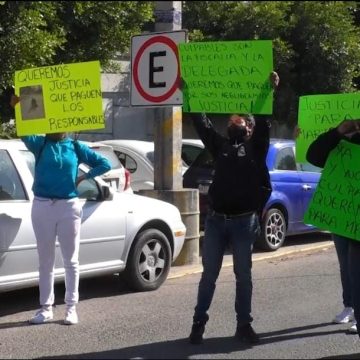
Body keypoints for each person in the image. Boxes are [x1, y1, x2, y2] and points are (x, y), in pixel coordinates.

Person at [184, 71, 279, 345]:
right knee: (209, 276)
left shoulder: (257, 149)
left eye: (242, 119)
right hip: (216, 221)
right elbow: (201, 123)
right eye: (231, 119)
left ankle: (244, 324)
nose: (234, 120)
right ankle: (198, 323)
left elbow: (263, 120)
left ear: (249, 129)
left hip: (243, 223)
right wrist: (189, 92)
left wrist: (268, 90)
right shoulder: (220, 146)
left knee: (243, 277)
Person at [10, 94, 111, 325]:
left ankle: (71, 308)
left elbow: (103, 164)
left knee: (70, 260)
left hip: (68, 207)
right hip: (43, 206)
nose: (59, 126)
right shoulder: (40, 143)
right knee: (45, 260)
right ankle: (45, 309)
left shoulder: (75, 146)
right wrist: (18, 108)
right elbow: (23, 129)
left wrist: (85, 176)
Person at [295, 123, 357, 334]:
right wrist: (339, 132)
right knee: (346, 266)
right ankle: (350, 305)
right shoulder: (341, 138)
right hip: (341, 214)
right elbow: (313, 156)